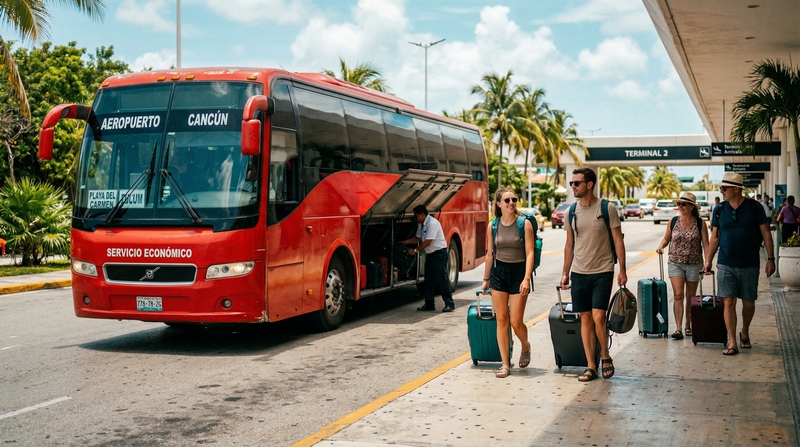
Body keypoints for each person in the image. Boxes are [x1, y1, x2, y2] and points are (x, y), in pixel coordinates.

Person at [560, 167, 627, 382]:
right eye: (571, 183)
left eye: (576, 183)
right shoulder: (571, 212)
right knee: (585, 318)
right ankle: (591, 366)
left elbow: (618, 240)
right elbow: (569, 245)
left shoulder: (607, 208)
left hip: (603, 271)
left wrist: (623, 269)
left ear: (589, 184)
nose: (573, 186)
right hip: (579, 272)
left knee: (599, 317)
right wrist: (565, 272)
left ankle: (605, 355)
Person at [703, 172, 775, 355]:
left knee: (749, 303)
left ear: (736, 189)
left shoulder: (754, 207)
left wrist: (770, 259)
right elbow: (714, 237)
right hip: (725, 263)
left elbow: (766, 233)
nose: (721, 191)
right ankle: (732, 342)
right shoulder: (719, 209)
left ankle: (745, 330)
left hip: (749, 263)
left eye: (724, 188)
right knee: (728, 302)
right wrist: (708, 260)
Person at [480, 188, 535, 378]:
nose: (511, 203)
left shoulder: (524, 223)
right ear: (498, 204)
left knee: (515, 321)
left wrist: (526, 278)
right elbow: (489, 254)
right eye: (507, 200)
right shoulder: (493, 225)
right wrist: (486, 280)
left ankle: (525, 345)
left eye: (514, 199)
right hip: (498, 273)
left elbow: (530, 253)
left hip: (519, 273)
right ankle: (505, 364)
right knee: (501, 319)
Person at [655, 192, 710, 340]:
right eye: (679, 204)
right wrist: (661, 246)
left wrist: (707, 262)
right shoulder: (673, 221)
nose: (680, 206)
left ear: (692, 206)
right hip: (675, 263)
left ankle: (688, 326)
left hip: (694, 264)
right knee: (678, 295)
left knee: (691, 296)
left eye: (683, 204)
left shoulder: (700, 223)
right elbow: (667, 238)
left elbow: (706, 244)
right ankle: (678, 328)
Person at [402, 205, 454, 313]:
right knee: (429, 280)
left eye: (416, 216)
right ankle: (429, 304)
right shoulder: (421, 224)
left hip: (439, 254)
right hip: (431, 254)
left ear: (422, 214)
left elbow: (427, 242)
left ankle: (449, 303)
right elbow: (417, 238)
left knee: (441, 279)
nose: (415, 218)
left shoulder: (432, 223)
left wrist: (415, 250)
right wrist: (404, 242)